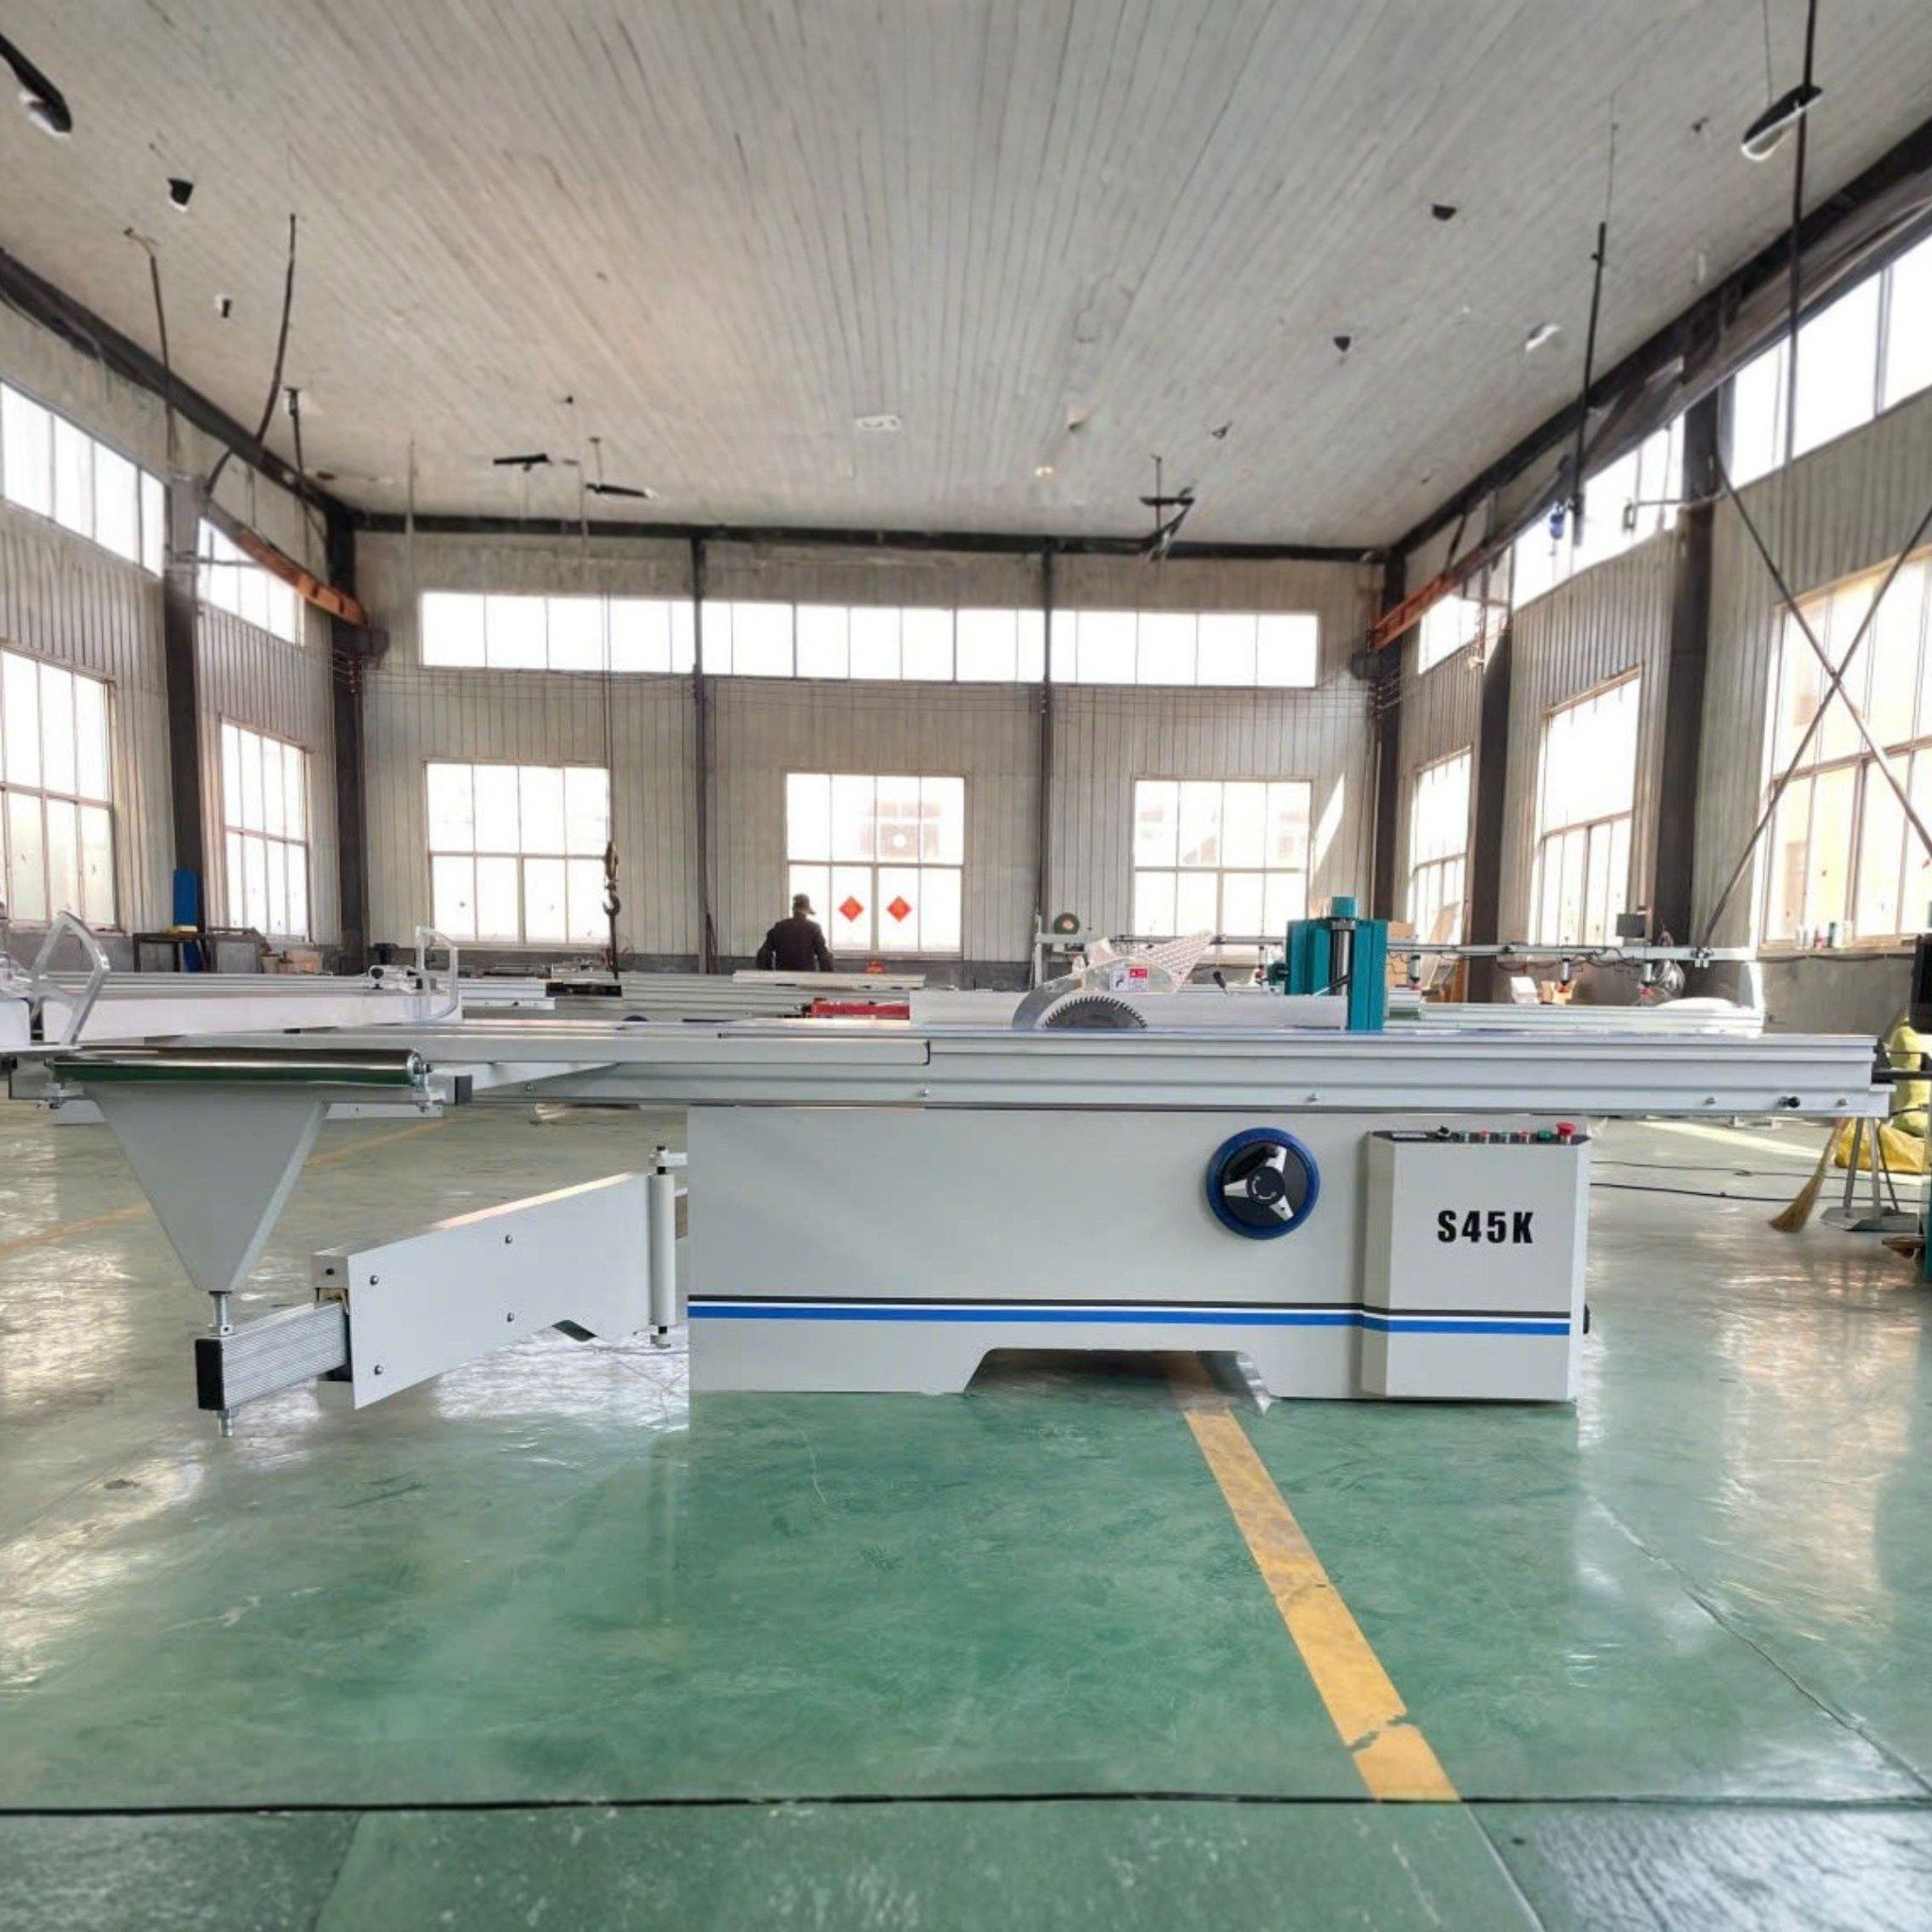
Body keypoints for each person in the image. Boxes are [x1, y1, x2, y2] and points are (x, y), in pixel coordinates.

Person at [757, 892, 835, 972]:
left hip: (782, 976)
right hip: (806, 976)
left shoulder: (779, 927)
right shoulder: (813, 928)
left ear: (793, 909)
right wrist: (827, 975)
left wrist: (768, 972)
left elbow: (763, 954)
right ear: (806, 910)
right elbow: (824, 956)